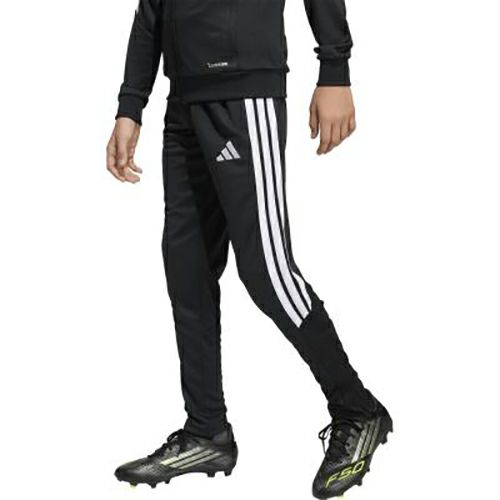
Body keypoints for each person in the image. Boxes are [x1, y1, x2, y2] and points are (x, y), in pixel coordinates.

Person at [106, 1, 392, 497]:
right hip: (184, 99)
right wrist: (131, 104)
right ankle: (206, 430)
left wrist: (335, 69)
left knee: (267, 273)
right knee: (187, 272)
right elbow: (151, 6)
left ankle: (358, 409)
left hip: (243, 90)